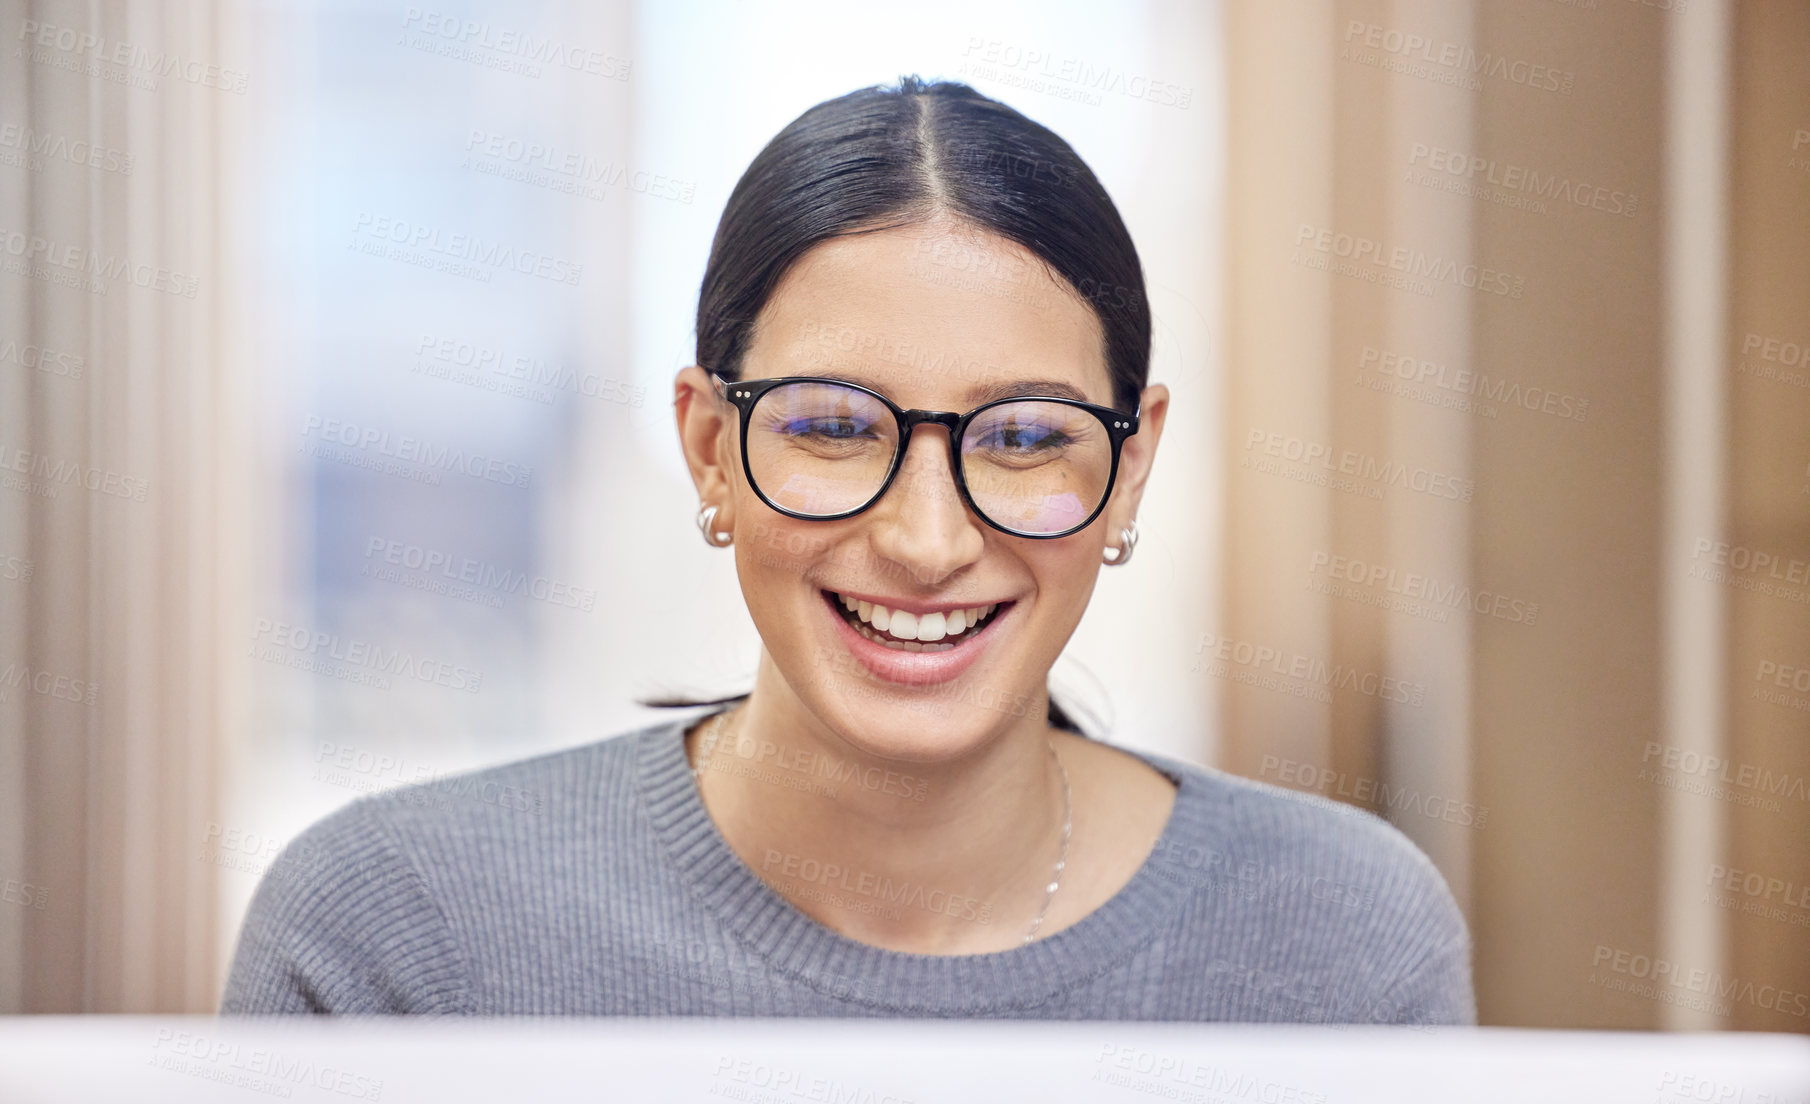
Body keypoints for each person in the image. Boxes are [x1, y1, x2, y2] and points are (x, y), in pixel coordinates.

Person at [220, 75, 1475, 1022]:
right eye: (829, 425)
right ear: (709, 446)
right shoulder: (397, 932)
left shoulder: (1345, 938)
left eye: (1026, 437)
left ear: (1129, 463)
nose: (926, 540)